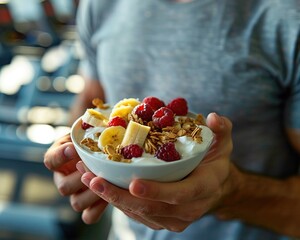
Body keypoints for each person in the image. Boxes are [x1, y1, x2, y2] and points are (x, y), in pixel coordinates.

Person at [44, 0, 300, 239]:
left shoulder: (287, 16)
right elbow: (92, 99)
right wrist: (75, 154)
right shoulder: (99, 5)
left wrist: (231, 192)